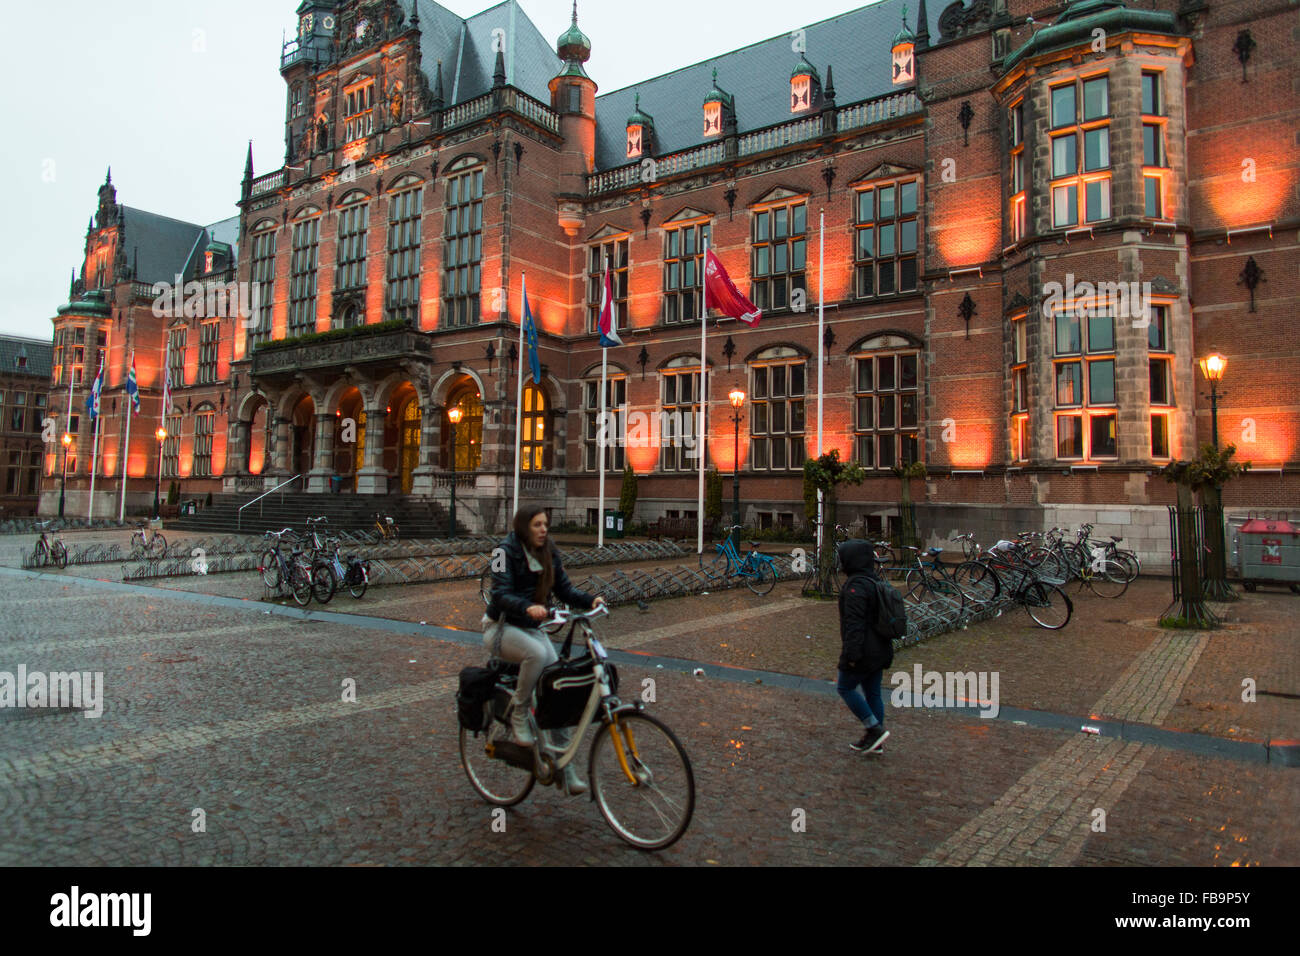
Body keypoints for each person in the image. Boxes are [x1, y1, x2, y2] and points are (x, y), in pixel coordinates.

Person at [485, 506, 605, 794]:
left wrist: (590, 601)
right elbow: (499, 594)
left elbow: (564, 590)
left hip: (530, 630)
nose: (543, 530)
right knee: (537, 656)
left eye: (546, 524)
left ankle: (566, 768)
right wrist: (526, 606)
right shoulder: (503, 552)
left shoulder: (549, 551)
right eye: (537, 524)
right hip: (500, 629)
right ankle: (519, 712)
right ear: (524, 526)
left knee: (557, 691)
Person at [836, 539, 893, 754]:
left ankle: (873, 728)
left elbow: (854, 624)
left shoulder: (855, 587)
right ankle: (875, 742)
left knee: (845, 687)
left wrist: (850, 655)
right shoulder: (873, 581)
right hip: (880, 649)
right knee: (873, 693)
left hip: (864, 651)